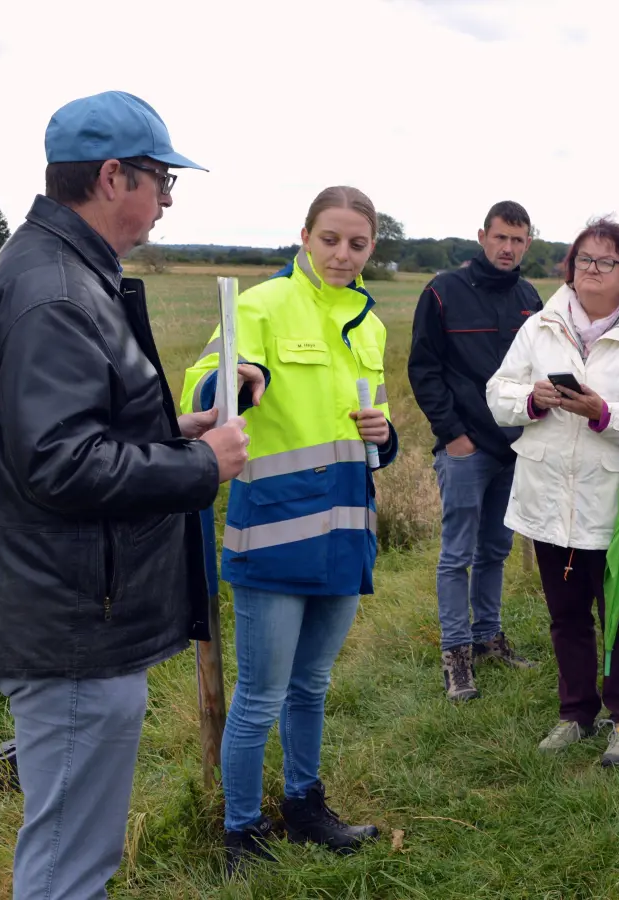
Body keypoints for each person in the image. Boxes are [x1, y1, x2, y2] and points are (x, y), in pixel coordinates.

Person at [0, 91, 255, 898]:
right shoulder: (56, 291)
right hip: (70, 623)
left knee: (72, 847)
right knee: (70, 862)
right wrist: (201, 468)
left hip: (70, 610)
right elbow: (61, 464)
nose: (166, 203)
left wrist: (174, 433)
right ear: (114, 176)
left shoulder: (63, 270)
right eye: (161, 181)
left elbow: (69, 435)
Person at [183, 186, 397, 872]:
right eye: (330, 239)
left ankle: (305, 806)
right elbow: (200, 389)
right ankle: (240, 832)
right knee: (261, 695)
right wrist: (236, 378)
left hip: (345, 534)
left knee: (312, 687)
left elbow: (377, 434)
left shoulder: (370, 324)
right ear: (304, 236)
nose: (342, 254)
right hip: (274, 534)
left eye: (357, 244)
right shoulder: (260, 305)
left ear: (371, 249)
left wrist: (384, 434)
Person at [486, 218, 619, 768]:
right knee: (565, 613)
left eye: (605, 262)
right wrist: (534, 398)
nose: (591, 270)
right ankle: (575, 712)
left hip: (611, 504)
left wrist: (605, 412)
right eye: (583, 260)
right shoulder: (541, 327)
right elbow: (497, 393)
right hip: (548, 495)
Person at [408, 201, 543, 702]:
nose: (508, 248)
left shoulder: (530, 297)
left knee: (497, 550)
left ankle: (489, 637)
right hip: (466, 448)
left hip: (514, 448)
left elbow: (540, 368)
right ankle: (456, 656)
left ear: (528, 243)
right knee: (456, 554)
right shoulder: (443, 291)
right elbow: (424, 369)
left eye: (518, 239)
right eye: (501, 237)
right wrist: (454, 435)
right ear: (483, 236)